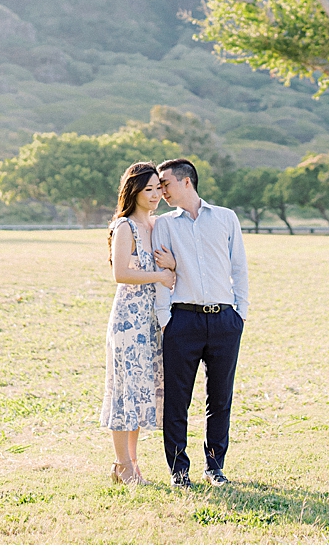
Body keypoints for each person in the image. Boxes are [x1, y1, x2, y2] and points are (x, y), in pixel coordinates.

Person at [151, 157, 249, 488]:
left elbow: (239, 267)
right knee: (177, 398)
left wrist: (241, 313)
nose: (161, 190)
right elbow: (162, 275)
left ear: (186, 182)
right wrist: (166, 319)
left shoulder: (225, 218)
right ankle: (179, 470)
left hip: (224, 320)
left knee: (220, 397)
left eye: (165, 183)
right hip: (182, 321)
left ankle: (214, 466)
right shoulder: (164, 224)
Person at [99, 161, 177, 484]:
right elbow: (120, 273)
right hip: (128, 321)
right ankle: (123, 465)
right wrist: (160, 274)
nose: (156, 194)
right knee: (124, 392)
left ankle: (131, 462)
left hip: (150, 321)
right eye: (148, 189)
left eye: (158, 188)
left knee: (140, 392)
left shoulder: (156, 225)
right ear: (134, 192)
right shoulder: (125, 227)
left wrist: (171, 264)